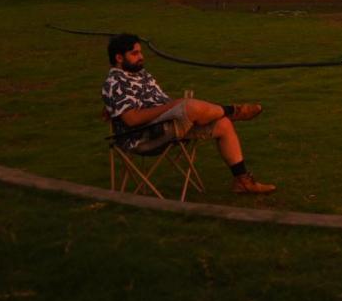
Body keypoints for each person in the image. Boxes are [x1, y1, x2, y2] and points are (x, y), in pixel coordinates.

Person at [102, 33, 275, 194]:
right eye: (135, 53)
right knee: (188, 107)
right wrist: (174, 106)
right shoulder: (115, 82)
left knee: (223, 124)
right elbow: (132, 119)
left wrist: (173, 107)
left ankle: (242, 181)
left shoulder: (140, 74)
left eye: (140, 52)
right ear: (119, 58)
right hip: (142, 137)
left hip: (166, 126)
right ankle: (234, 111)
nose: (141, 56)